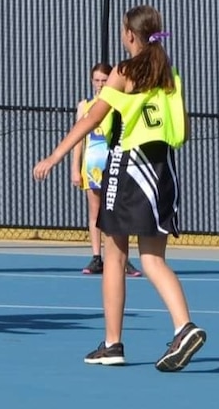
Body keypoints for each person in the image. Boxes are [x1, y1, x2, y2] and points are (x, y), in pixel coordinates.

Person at [32, 5, 206, 372]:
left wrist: (56, 156)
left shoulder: (123, 72)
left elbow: (91, 118)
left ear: (129, 35)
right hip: (163, 169)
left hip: (130, 168)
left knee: (114, 255)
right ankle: (183, 325)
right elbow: (183, 130)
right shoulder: (168, 74)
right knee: (154, 259)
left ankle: (113, 343)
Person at [70, 62, 142, 277]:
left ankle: (122, 257)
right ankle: (96, 257)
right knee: (95, 211)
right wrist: (75, 168)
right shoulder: (84, 106)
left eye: (104, 80)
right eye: (97, 80)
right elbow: (79, 138)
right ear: (92, 81)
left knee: (117, 211)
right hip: (92, 162)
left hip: (112, 161)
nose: (100, 84)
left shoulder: (116, 104)